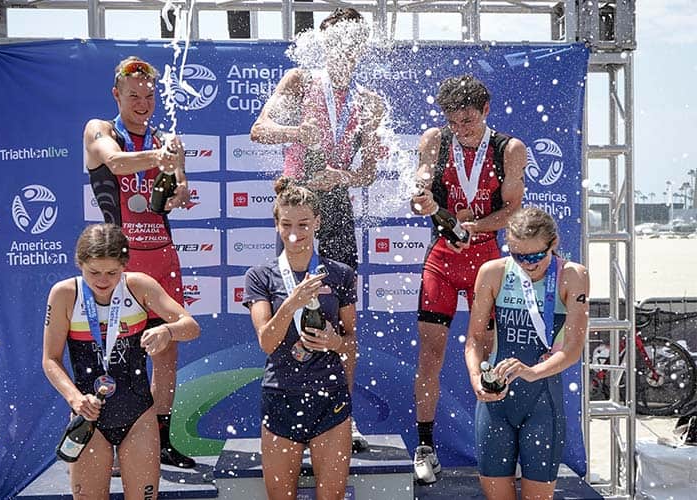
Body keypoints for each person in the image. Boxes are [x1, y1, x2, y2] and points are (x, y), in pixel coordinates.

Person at [250, 6, 385, 451]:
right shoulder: (300, 81)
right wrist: (297, 132)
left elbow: (367, 171)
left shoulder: (369, 101)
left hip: (336, 204)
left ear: (360, 47)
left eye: (351, 44)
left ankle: (343, 414)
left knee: (342, 317)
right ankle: (288, 410)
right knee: (287, 302)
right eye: (335, 43)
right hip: (296, 202)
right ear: (323, 45)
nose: (342, 51)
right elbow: (259, 130)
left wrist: (341, 177)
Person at [409, 74, 527, 483]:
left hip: (486, 263)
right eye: (453, 122)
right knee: (430, 355)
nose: (461, 130)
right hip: (442, 259)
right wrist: (421, 197)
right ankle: (425, 446)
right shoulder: (435, 139)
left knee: (488, 358)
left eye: (469, 121)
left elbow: (512, 210)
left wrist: (473, 228)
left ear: (486, 110)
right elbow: (422, 179)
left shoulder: (509, 149)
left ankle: (496, 445)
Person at [83, 56, 196, 468]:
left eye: (149, 96)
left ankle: (161, 440)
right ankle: (114, 442)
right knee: (117, 354)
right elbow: (115, 163)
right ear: (117, 94)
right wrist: (160, 157)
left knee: (167, 352)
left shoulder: (163, 138)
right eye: (134, 96)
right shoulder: (101, 129)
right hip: (119, 264)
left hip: (162, 256)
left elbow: (180, 189)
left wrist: (180, 191)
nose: (143, 103)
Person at [42, 223, 200, 499]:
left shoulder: (139, 285)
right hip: (89, 416)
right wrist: (75, 399)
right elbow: (50, 360)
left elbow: (191, 327)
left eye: (112, 272)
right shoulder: (64, 294)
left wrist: (168, 331)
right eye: (94, 272)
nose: (103, 280)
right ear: (80, 264)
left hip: (138, 416)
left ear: (124, 266)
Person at [243, 177, 357, 500]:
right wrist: (292, 302)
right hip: (281, 395)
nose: (295, 233)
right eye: (287, 224)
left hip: (330, 396)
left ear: (317, 222)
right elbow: (267, 342)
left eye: (304, 224)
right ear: (276, 224)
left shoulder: (340, 274)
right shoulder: (260, 276)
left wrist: (335, 342)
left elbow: (352, 343)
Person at [464, 207, 589, 500]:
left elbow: (573, 349)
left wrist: (532, 372)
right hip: (496, 404)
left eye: (535, 256)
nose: (527, 264)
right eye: (518, 256)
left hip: (543, 403)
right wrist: (476, 378)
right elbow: (474, 338)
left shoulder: (573, 275)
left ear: (553, 244)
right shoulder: (493, 272)